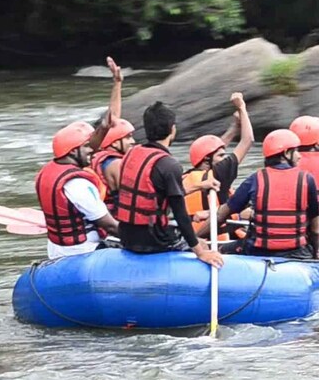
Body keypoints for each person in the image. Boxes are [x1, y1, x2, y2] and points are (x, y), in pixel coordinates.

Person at [115, 101, 224, 268]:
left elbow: (156, 194)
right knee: (201, 243)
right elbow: (180, 214)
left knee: (189, 236)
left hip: (126, 236)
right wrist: (200, 252)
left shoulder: (131, 155)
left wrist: (200, 186)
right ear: (172, 129)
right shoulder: (169, 165)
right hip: (153, 241)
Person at [203, 129, 319, 260]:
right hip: (297, 253)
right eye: (296, 151)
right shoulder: (307, 180)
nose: (299, 156)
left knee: (223, 248)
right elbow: (316, 230)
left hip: (257, 251)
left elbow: (220, 215)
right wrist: (315, 256)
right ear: (286, 153)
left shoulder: (255, 179)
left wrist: (195, 239)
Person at [35, 120, 119, 259]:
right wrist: (140, 239)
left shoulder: (45, 173)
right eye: (86, 146)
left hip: (57, 251)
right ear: (73, 150)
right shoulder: (78, 184)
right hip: (85, 251)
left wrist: (104, 127)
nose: (92, 150)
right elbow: (110, 226)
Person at [182, 92, 255, 240]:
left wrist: (234, 127)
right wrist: (242, 108)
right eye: (221, 156)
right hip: (219, 245)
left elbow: (211, 150)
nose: (225, 158)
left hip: (193, 241)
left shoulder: (183, 177)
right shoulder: (218, 174)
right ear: (206, 161)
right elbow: (248, 140)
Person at [86, 57, 133, 218]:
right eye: (128, 138)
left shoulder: (94, 154)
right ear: (115, 142)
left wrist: (117, 83)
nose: (132, 141)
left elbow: (114, 120)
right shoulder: (115, 163)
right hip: (116, 222)